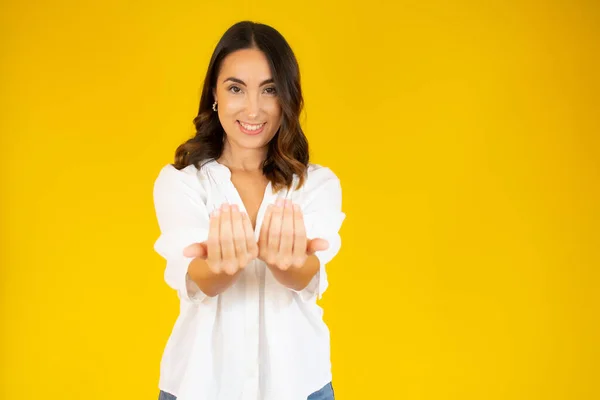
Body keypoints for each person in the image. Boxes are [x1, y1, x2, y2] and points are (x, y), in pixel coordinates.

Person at [152, 21, 346, 400]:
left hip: (299, 385)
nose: (253, 109)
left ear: (287, 97)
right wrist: (221, 267)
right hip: (200, 386)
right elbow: (199, 279)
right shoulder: (182, 182)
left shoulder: (317, 184)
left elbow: (309, 277)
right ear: (215, 94)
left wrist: (287, 264)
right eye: (236, 88)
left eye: (269, 90)